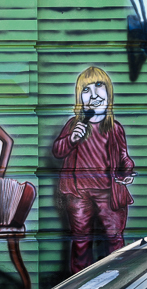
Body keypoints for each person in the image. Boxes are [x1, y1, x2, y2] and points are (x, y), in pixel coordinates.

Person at [52, 66, 136, 275]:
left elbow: (124, 157)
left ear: (108, 93)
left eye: (99, 86)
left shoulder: (114, 128)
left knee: (115, 239)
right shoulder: (74, 125)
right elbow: (58, 151)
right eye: (86, 89)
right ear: (80, 98)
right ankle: (77, 287)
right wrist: (71, 139)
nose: (93, 94)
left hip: (109, 193)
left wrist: (127, 171)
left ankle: (116, 282)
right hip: (78, 193)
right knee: (81, 242)